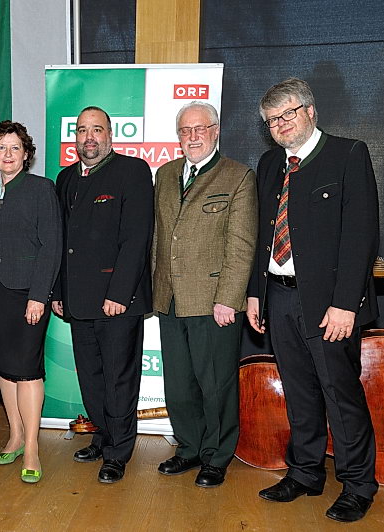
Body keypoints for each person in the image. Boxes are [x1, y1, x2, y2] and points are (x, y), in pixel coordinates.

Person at [247, 78, 379, 523]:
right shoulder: (270, 164)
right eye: (272, 120)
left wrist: (346, 304)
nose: (281, 124)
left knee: (340, 395)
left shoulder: (348, 154)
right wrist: (255, 293)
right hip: (278, 297)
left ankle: (358, 485)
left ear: (310, 111)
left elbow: (361, 235)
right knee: (299, 392)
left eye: (288, 113)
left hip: (329, 306)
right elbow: (262, 234)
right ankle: (305, 473)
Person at [152, 101, 257, 487]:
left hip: (214, 302)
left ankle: (216, 455)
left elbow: (241, 244)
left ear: (215, 131)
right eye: (185, 130)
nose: (193, 136)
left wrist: (228, 297)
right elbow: (159, 236)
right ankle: (189, 448)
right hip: (169, 298)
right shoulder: (165, 174)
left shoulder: (238, 176)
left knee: (215, 385)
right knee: (179, 385)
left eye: (200, 129)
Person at [52, 106, 154, 484]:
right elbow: (61, 241)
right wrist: (58, 291)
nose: (89, 137)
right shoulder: (65, 178)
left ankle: (118, 452)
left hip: (117, 301)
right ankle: (103, 436)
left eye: (97, 130)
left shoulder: (133, 171)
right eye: (82, 130)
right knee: (92, 379)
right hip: (77, 299)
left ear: (110, 135)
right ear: (75, 138)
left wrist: (120, 293)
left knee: (118, 379)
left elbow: (136, 238)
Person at [0, 121, 62, 484]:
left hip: (28, 292)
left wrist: (40, 295)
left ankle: (32, 449)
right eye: (1, 148)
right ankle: (15, 436)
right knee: (4, 368)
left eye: (15, 148)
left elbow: (51, 245)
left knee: (27, 369)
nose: (8, 154)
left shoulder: (41, 188)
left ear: (26, 154)